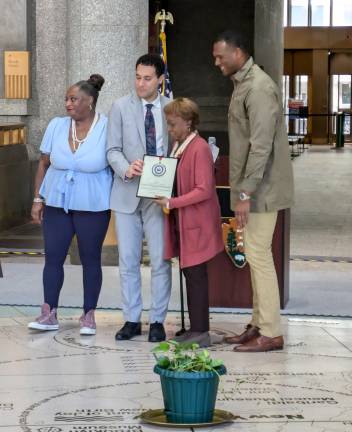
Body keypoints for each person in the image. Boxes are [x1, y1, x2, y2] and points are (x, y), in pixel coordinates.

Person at [212, 30, 294, 352]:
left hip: (262, 189)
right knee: (256, 254)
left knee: (259, 256)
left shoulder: (258, 88)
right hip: (254, 187)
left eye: (220, 56)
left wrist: (244, 194)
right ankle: (258, 324)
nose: (216, 62)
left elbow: (260, 148)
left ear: (238, 53)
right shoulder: (243, 84)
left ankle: (271, 332)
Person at [28, 74, 112, 336]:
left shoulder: (107, 127)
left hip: (93, 204)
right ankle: (48, 312)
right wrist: (37, 198)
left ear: (90, 102)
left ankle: (88, 315)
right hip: (56, 201)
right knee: (53, 257)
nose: (68, 104)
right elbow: (44, 163)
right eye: (66, 99)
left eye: (73, 99)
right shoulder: (56, 125)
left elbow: (116, 161)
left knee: (90, 259)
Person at [107, 54, 172, 342]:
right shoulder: (120, 107)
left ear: (160, 79)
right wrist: (126, 167)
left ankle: (157, 320)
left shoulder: (172, 108)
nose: (140, 83)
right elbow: (112, 150)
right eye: (137, 76)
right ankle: (131, 319)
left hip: (158, 194)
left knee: (160, 260)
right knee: (128, 260)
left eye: (147, 78)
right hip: (127, 192)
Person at [154, 98, 224, 347]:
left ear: (188, 122)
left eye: (173, 124)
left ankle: (201, 331)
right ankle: (195, 328)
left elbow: (204, 190)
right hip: (184, 221)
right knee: (189, 273)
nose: (170, 129)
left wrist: (172, 202)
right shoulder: (180, 145)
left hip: (197, 223)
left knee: (196, 276)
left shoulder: (199, 148)